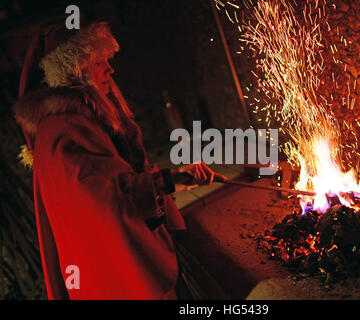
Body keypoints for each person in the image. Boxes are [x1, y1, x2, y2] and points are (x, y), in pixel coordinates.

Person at [13, 21, 226, 299]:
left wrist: (172, 180)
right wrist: (166, 181)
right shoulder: (63, 131)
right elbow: (105, 201)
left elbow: (123, 173)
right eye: (100, 62)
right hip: (116, 273)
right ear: (77, 69)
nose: (110, 69)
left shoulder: (89, 117)